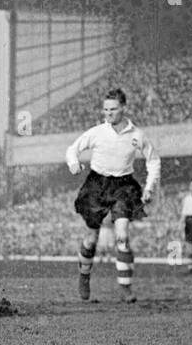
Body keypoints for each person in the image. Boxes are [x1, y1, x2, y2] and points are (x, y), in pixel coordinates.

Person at [65, 89, 160, 302]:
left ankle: (126, 287)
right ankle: (84, 276)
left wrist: (149, 187)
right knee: (91, 240)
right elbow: (72, 149)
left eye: (113, 109)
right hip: (97, 184)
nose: (109, 113)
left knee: (122, 236)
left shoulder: (136, 135)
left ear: (123, 108)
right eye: (106, 109)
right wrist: (73, 164)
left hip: (123, 185)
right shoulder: (97, 132)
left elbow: (153, 160)